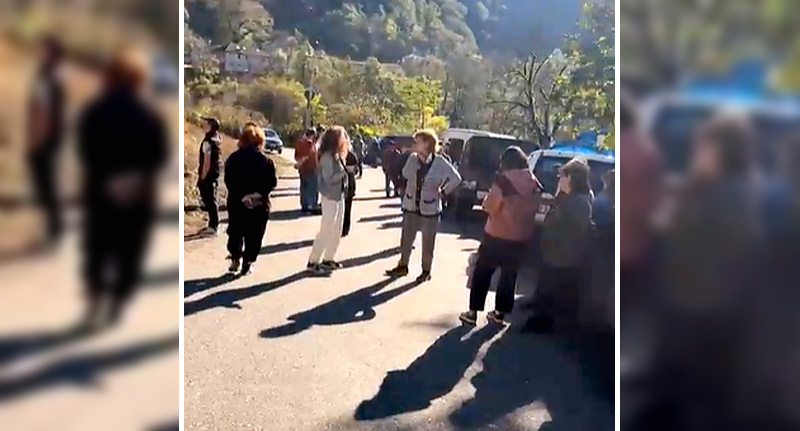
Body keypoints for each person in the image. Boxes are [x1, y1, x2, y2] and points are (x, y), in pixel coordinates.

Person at [77, 46, 167, 328]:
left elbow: (85, 148)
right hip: (137, 191)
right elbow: (157, 155)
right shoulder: (149, 114)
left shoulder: (95, 110)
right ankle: (118, 301)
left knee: (98, 246)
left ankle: (95, 299)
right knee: (129, 248)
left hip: (101, 188)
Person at [459, 147, 542, 325]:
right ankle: (500, 313)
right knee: (509, 275)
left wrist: (486, 203)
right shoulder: (534, 184)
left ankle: (473, 312)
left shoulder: (503, 181)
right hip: (520, 236)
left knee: (483, 272)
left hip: (496, 234)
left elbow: (490, 205)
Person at [524, 157, 594, 333]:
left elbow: (576, 230)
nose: (559, 179)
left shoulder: (580, 201)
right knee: (546, 284)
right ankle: (539, 312)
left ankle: (543, 322)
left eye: (562, 176)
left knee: (553, 289)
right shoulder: (567, 197)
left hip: (564, 255)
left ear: (570, 178)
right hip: (554, 252)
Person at [385, 130, 461, 283]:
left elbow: (456, 178)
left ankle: (426, 271)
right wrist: (415, 162)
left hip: (430, 207)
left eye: (417, 142)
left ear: (427, 143)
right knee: (406, 238)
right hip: (411, 205)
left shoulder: (440, 162)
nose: (414, 144)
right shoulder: (412, 159)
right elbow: (405, 174)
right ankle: (403, 265)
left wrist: (443, 191)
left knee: (428, 242)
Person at [224, 125, 278, 275]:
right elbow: (271, 183)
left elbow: (229, 181)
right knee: (254, 235)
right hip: (259, 203)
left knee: (235, 231)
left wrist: (242, 196)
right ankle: (247, 262)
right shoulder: (266, 161)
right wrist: (256, 194)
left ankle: (235, 258)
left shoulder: (233, 159)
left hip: (237, 202)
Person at [27, 36, 65, 246]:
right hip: (51, 138)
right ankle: (54, 225)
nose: (39, 54)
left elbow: (44, 113)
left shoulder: (48, 79)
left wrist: (37, 141)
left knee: (45, 184)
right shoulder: (53, 77)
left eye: (44, 51)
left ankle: (54, 227)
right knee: (47, 183)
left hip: (45, 140)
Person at [306, 126, 350, 275]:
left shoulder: (337, 156)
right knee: (326, 229)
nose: (345, 139)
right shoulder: (326, 157)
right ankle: (313, 261)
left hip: (339, 195)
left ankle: (328, 258)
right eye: (342, 137)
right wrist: (344, 172)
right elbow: (328, 179)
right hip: (330, 196)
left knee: (337, 230)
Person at [197, 117, 222, 235]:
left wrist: (203, 175)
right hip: (215, 173)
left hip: (208, 175)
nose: (204, 126)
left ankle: (213, 226)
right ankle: (213, 224)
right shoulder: (217, 140)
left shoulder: (207, 142)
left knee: (210, 200)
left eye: (206, 124)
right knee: (212, 199)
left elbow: (207, 161)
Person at [295, 128, 321, 215]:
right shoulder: (308, 143)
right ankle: (311, 206)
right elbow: (307, 156)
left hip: (303, 169)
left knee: (304, 188)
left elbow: (296, 156)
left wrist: (299, 164)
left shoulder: (299, 142)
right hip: (311, 168)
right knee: (312, 188)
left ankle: (305, 205)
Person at [342, 145, 359, 237]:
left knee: (341, 208)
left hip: (342, 182)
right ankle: (346, 229)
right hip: (351, 182)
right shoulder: (353, 155)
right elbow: (356, 170)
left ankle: (340, 228)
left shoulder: (339, 156)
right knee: (348, 208)